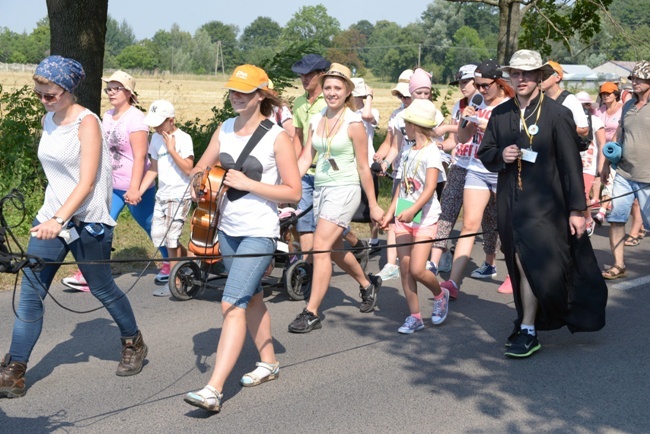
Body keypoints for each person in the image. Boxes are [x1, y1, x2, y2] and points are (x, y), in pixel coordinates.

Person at [0, 56, 147, 399]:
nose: (43, 100)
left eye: (49, 95)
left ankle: (133, 341)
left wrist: (59, 220)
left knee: (102, 287)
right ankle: (14, 370)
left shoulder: (88, 122)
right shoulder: (47, 119)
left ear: (67, 90)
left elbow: (87, 181)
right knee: (30, 293)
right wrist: (50, 216)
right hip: (52, 214)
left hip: (87, 219)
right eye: (39, 94)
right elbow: (57, 173)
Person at [184, 65, 301, 412]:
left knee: (231, 303)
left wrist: (250, 184)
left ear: (261, 96)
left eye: (244, 92)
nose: (236, 97)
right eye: (233, 91)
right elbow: (199, 167)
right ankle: (269, 362)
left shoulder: (277, 137)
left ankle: (213, 390)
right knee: (251, 299)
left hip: (259, 232)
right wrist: (197, 184)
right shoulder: (224, 129)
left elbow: (293, 191)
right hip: (226, 228)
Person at [477, 49, 607, 358]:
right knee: (517, 263)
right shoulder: (500, 113)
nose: (520, 79)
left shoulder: (557, 114)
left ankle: (529, 329)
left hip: (546, 203)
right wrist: (500, 155)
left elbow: (570, 165)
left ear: (539, 77)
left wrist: (578, 209)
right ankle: (527, 320)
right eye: (515, 73)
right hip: (510, 201)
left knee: (528, 261)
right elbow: (486, 153)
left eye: (527, 73)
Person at [288, 63, 384, 334]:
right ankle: (368, 284)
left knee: (319, 247)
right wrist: (289, 184)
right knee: (332, 247)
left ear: (347, 92)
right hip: (322, 188)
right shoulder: (317, 118)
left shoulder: (354, 123)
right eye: (328, 87)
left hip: (346, 189)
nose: (331, 93)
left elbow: (364, 167)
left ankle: (311, 312)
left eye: (337, 88)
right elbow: (307, 156)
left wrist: (374, 205)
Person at [61, 70, 169, 291]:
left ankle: (173, 262)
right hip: (110, 185)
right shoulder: (108, 115)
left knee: (152, 226)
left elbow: (140, 156)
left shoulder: (136, 118)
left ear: (128, 92)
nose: (110, 92)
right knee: (97, 227)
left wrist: (135, 188)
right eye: (108, 88)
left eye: (115, 88)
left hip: (134, 186)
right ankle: (90, 274)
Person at [439, 60, 513, 299]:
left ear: (499, 83)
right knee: (470, 225)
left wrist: (488, 125)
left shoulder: (511, 106)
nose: (480, 91)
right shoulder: (475, 102)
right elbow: (462, 138)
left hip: (503, 170)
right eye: (478, 86)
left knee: (508, 225)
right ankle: (453, 282)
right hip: (478, 168)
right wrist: (466, 119)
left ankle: (514, 274)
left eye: (485, 86)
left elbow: (513, 138)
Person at [380, 99, 450, 333]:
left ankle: (440, 295)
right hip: (404, 213)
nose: (404, 126)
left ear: (416, 125)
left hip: (425, 216)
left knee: (419, 269)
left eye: (407, 122)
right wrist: (391, 212)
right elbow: (401, 185)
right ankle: (415, 316)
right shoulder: (408, 151)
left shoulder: (432, 152)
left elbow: (430, 188)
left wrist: (413, 211)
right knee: (406, 267)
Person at [139, 100, 195, 297]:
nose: (156, 127)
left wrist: (171, 149)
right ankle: (191, 259)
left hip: (179, 195)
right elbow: (153, 169)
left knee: (172, 240)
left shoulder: (184, 138)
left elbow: (189, 169)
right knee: (160, 237)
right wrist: (139, 190)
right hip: (162, 196)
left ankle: (175, 282)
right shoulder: (155, 139)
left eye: (160, 123)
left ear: (171, 120)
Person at [601, 60, 650, 280]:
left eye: (640, 78)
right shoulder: (628, 105)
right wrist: (605, 163)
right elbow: (618, 135)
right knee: (616, 218)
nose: (635, 82)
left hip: (648, 177)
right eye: (634, 78)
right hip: (624, 173)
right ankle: (618, 264)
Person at [373, 69, 414, 281]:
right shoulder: (396, 115)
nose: (403, 99)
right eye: (401, 95)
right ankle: (391, 263)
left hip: (420, 176)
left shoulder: (426, 112)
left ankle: (429, 258)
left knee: (419, 219)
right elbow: (391, 144)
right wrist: (381, 161)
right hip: (401, 172)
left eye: (407, 95)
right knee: (396, 217)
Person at [291, 54, 331, 262]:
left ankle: (355, 243)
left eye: (309, 75)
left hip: (327, 172)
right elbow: (298, 138)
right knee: (304, 221)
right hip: (306, 171)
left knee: (331, 225)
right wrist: (293, 168)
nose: (304, 79)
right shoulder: (298, 103)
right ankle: (307, 269)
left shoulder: (330, 101)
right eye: (301, 75)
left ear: (321, 75)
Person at [575, 92, 606, 237]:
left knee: (583, 193)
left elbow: (602, 143)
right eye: (580, 105)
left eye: (586, 104)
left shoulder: (595, 120)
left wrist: (601, 165)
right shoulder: (571, 119)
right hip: (573, 162)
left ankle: (588, 219)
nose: (583, 107)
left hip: (589, 164)